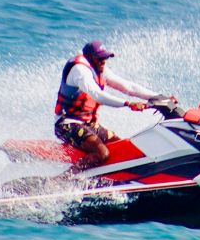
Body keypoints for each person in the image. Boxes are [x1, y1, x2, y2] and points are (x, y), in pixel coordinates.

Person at [54, 40, 177, 168]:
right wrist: (128, 104)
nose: (103, 61)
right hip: (66, 125)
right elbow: (97, 95)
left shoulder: (100, 69)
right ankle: (64, 180)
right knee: (102, 153)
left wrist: (159, 97)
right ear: (90, 58)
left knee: (122, 148)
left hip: (88, 125)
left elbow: (129, 87)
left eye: (105, 58)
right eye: (100, 58)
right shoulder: (79, 70)